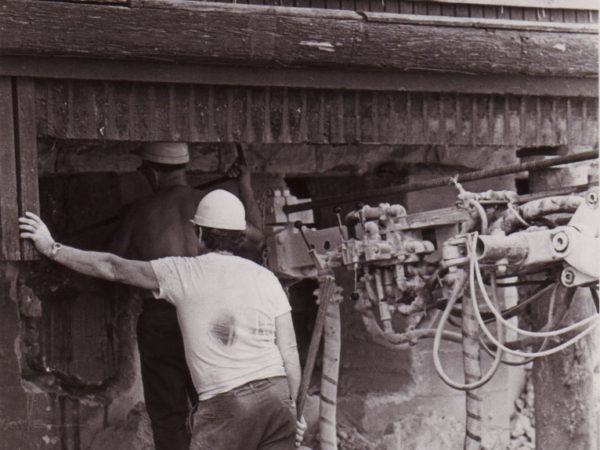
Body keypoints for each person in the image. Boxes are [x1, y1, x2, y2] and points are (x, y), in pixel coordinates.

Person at [19, 189, 306, 449]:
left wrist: (51, 248)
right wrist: (297, 411)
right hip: (277, 399)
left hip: (226, 405)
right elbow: (289, 352)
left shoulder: (182, 273)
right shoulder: (266, 278)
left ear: (199, 233)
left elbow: (112, 267)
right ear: (241, 236)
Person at [107, 142, 264, 450]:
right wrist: (244, 184)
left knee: (167, 416)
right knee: (218, 408)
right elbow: (257, 240)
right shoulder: (210, 206)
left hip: (161, 320)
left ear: (151, 173)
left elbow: (112, 264)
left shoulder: (140, 212)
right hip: (211, 321)